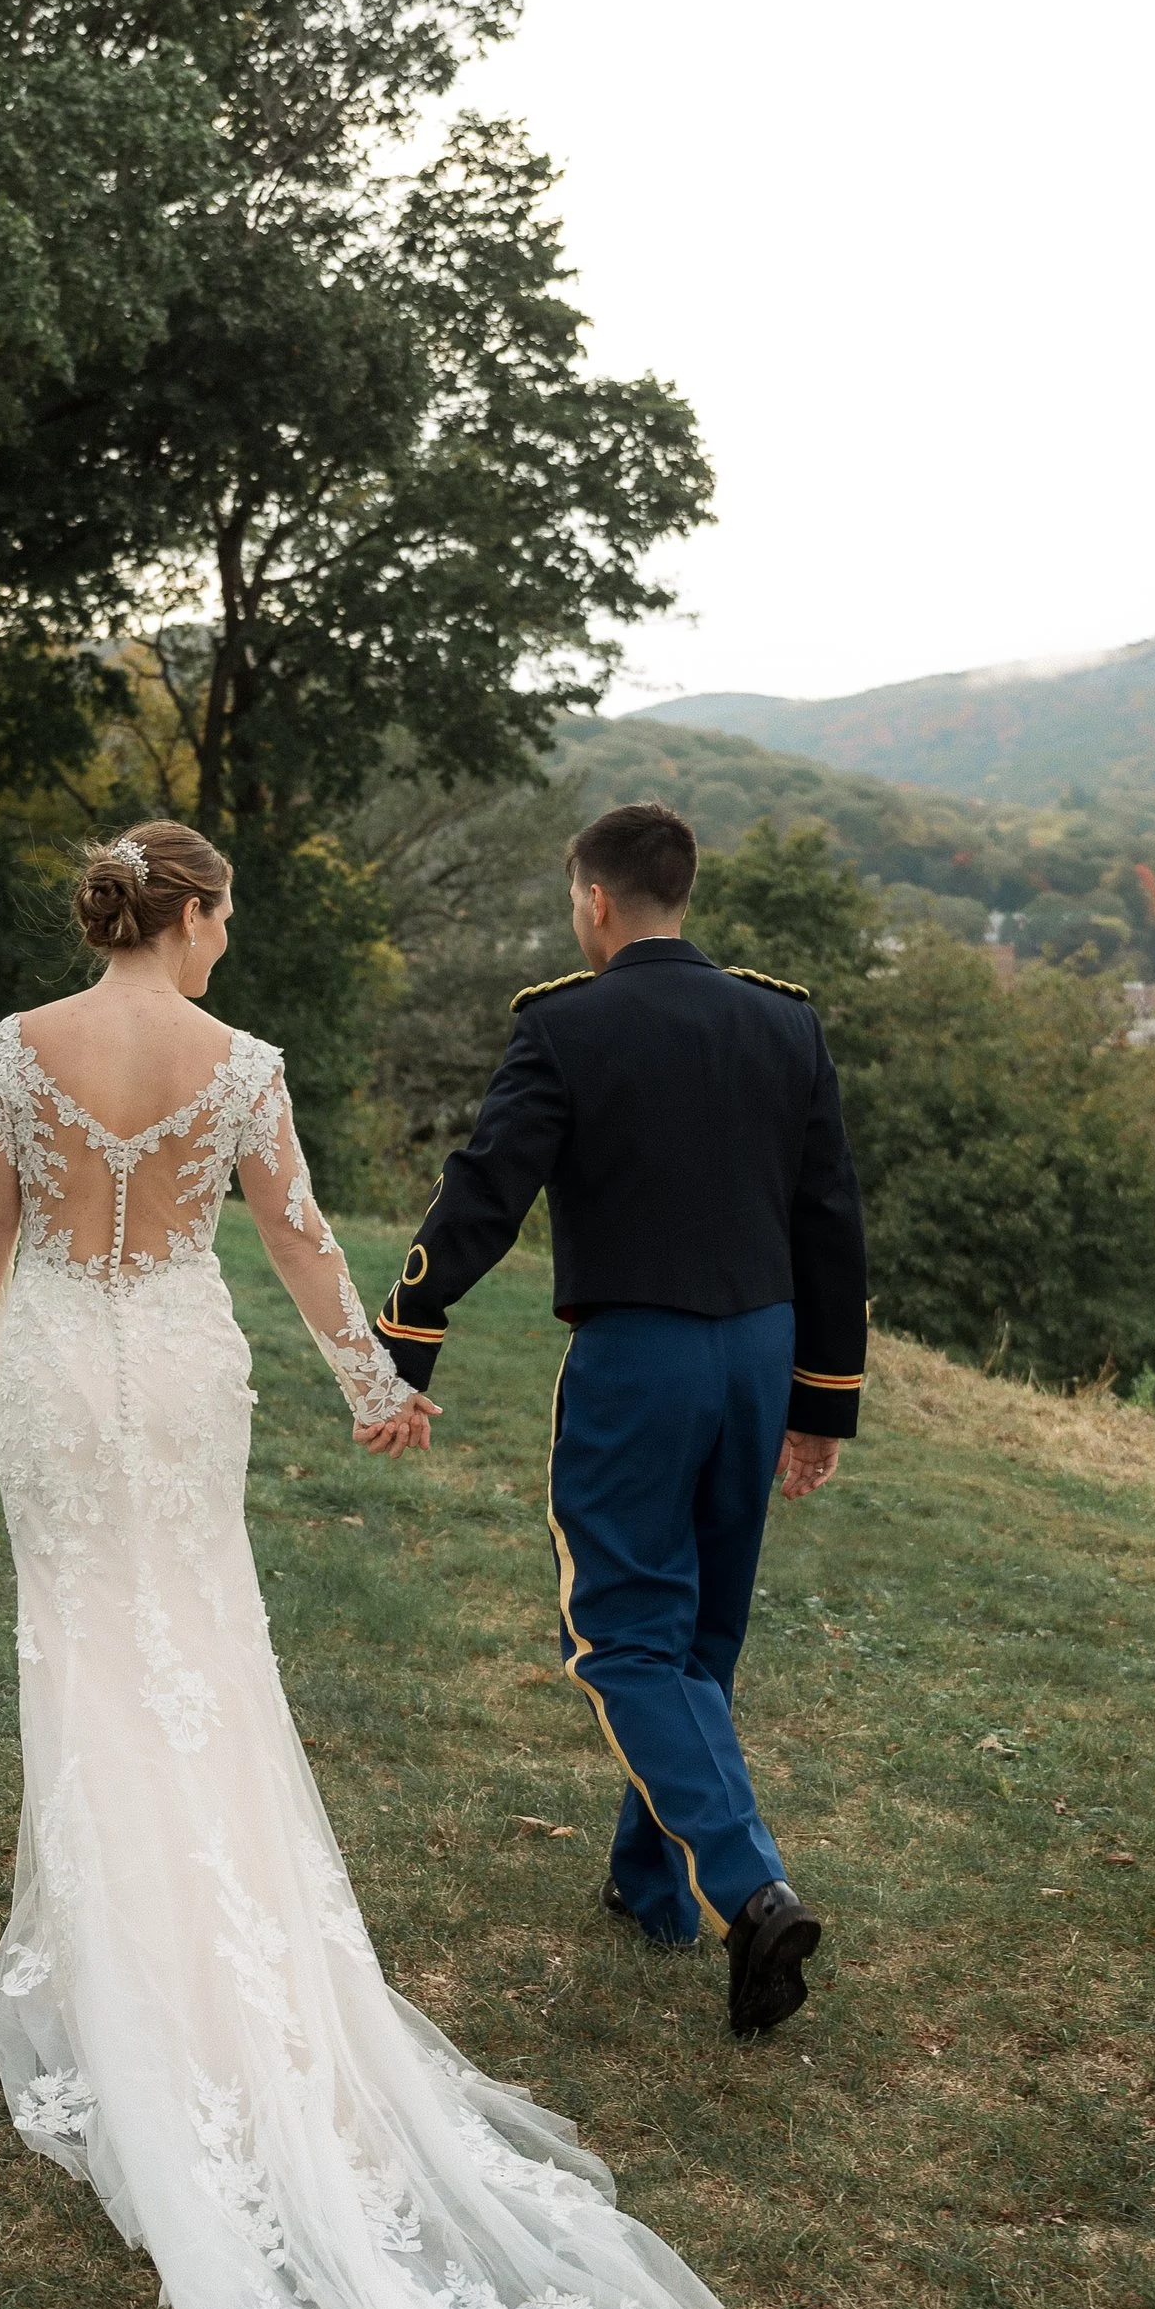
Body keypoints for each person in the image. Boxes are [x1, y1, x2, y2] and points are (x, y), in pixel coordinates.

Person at [0, 819, 736, 2309]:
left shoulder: (7, 1053)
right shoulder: (239, 1066)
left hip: (68, 1382)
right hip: (180, 1366)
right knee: (200, 1660)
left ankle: (117, 1956)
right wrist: (376, 1388)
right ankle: (202, 1962)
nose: (231, 943)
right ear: (198, 914)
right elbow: (301, 1240)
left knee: (88, 1656)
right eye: (229, 916)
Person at [373, 800, 868, 2042]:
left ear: (594, 902)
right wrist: (823, 1402)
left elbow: (484, 1189)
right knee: (698, 1630)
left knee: (621, 1640)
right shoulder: (784, 1020)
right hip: (760, 1352)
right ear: (679, 894)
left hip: (638, 1358)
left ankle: (749, 1892)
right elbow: (831, 1223)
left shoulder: (566, 1025)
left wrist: (405, 1339)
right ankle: (649, 1889)